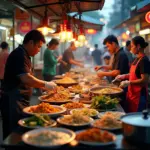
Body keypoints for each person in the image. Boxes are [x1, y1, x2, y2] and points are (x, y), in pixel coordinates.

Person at [1, 30, 57, 139]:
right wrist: (46, 84)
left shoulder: (25, 54)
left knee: (20, 128)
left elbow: (28, 77)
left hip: (20, 99)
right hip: (14, 99)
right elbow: (26, 78)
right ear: (31, 43)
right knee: (15, 132)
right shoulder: (19, 54)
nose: (39, 50)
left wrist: (41, 85)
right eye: (38, 46)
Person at [114, 36, 149, 112]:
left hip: (139, 97)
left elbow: (145, 80)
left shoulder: (144, 60)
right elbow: (135, 74)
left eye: (132, 46)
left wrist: (129, 82)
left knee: (136, 120)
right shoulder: (137, 58)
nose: (131, 48)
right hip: (132, 94)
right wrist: (124, 76)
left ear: (138, 46)